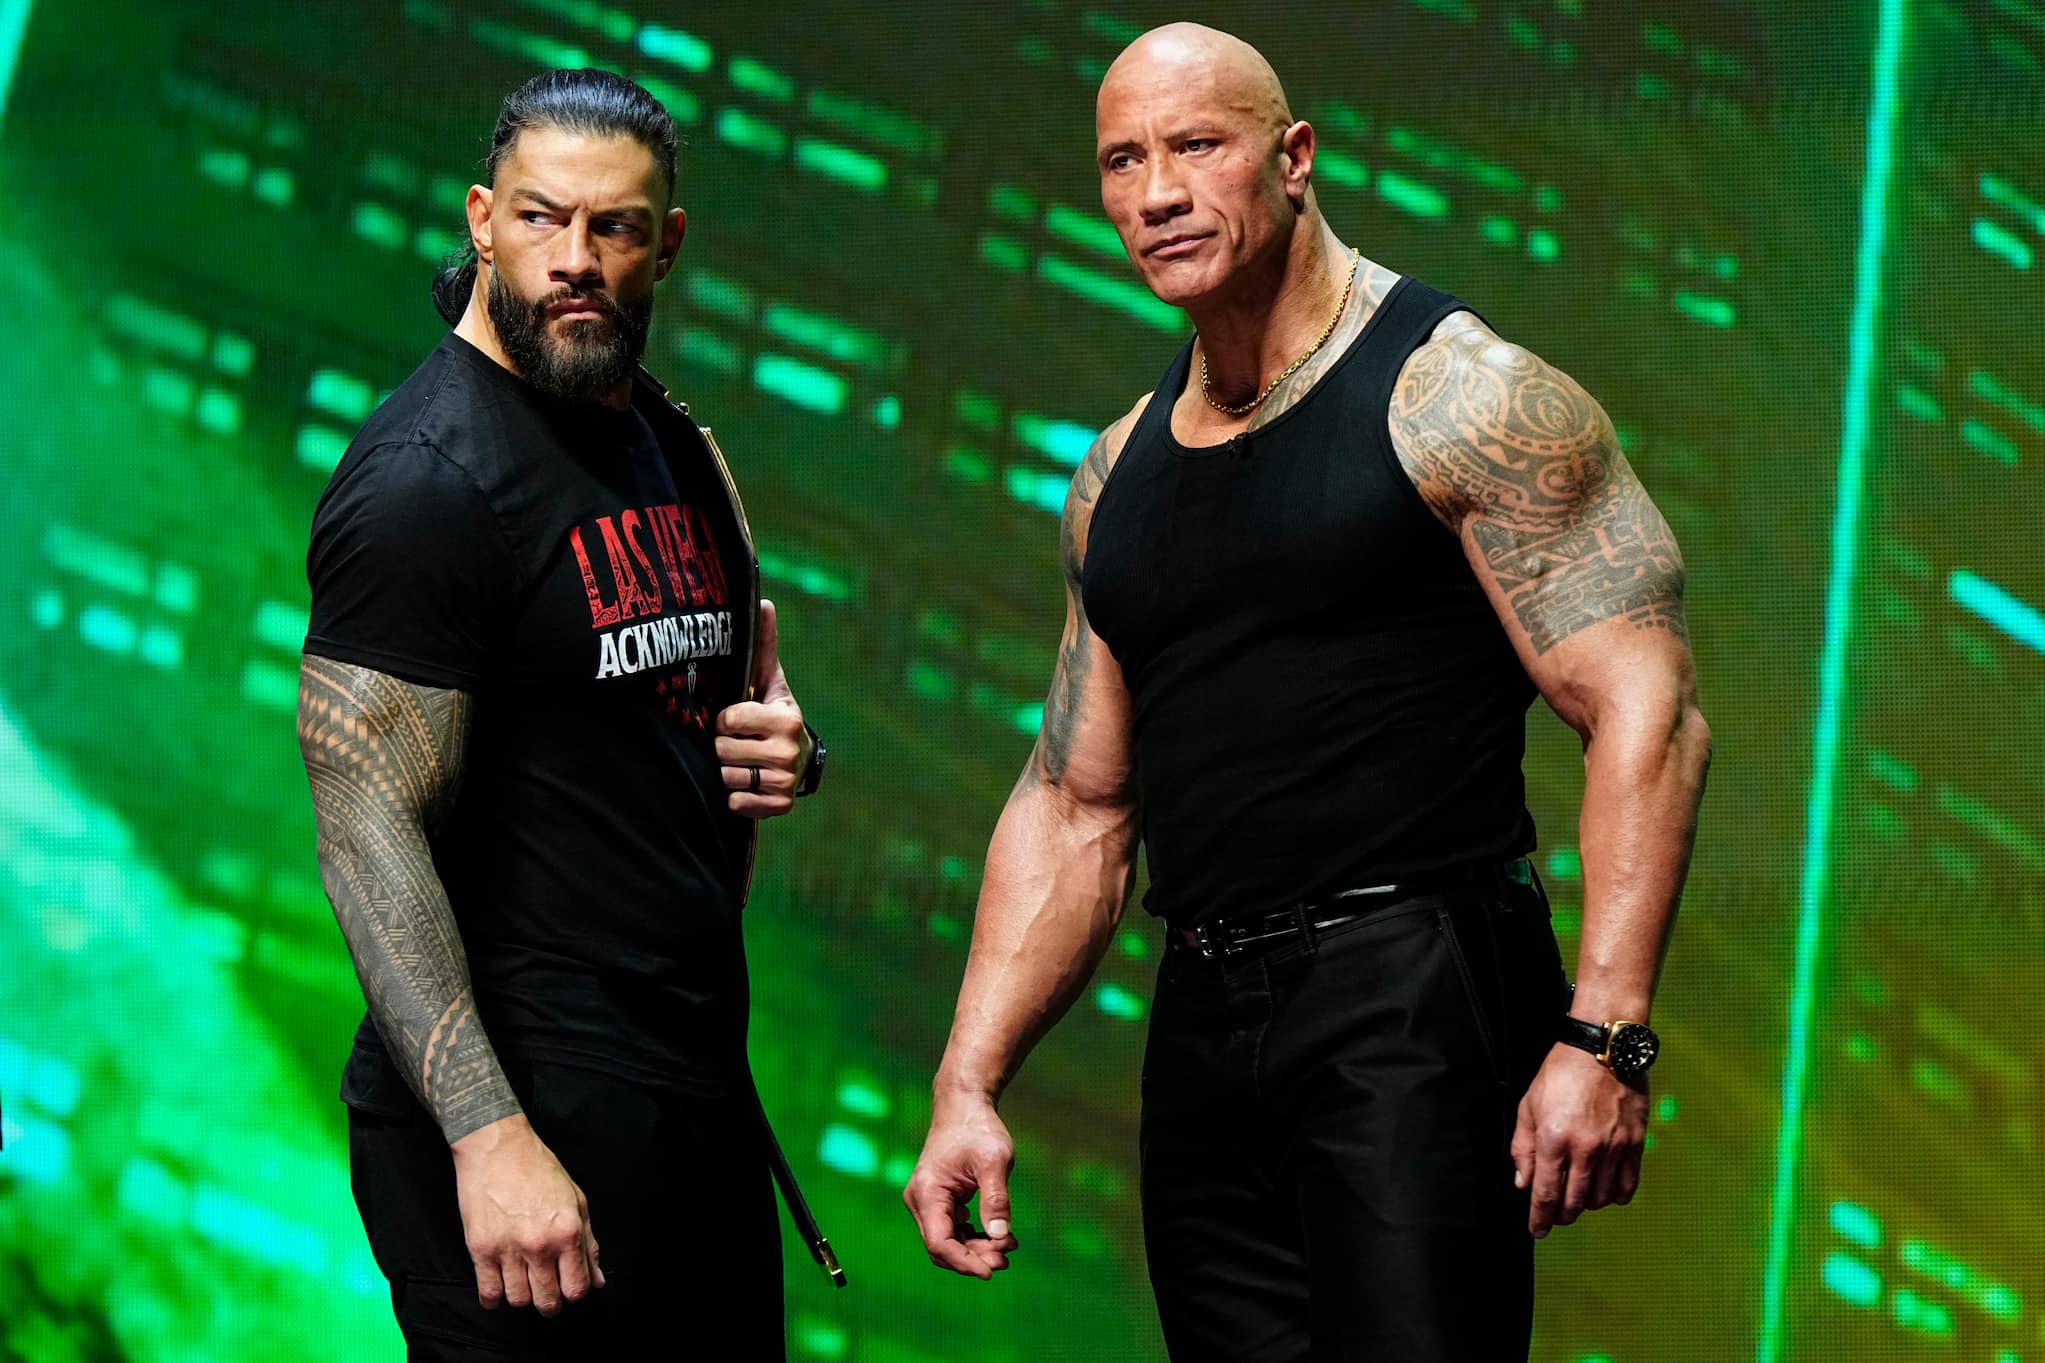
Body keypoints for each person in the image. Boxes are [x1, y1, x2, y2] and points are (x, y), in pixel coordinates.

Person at [905, 23, 1710, 1361]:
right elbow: (1075, 803)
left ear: (1292, 159)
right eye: (1121, 161)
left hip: (1415, 993)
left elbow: (1647, 710)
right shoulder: (1116, 474)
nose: (1154, 192)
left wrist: (1606, 1034)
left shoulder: (1463, 398)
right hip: (1210, 1016)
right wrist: (966, 1082)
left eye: (1195, 147)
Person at [297, 69, 823, 1361]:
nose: (575, 260)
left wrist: (785, 749)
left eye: (615, 228)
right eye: (541, 220)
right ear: (481, 219)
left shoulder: (675, 448)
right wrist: (485, 1134)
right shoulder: (425, 482)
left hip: (685, 1096)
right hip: (518, 1111)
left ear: (669, 243)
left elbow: (692, 716)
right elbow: (365, 831)